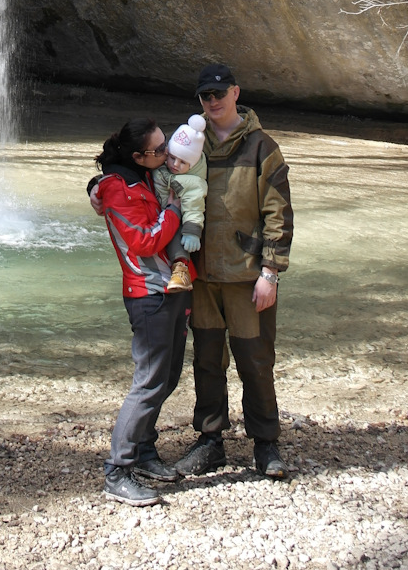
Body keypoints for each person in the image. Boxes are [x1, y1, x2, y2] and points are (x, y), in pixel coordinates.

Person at [174, 63, 294, 480]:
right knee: (207, 361)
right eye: (205, 95)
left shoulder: (262, 147)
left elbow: (278, 213)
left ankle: (266, 444)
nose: (212, 101)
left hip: (247, 278)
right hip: (203, 276)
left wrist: (271, 273)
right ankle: (210, 442)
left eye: (219, 93)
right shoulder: (192, 144)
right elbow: (150, 173)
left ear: (236, 93)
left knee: (256, 361)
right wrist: (99, 188)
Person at [92, 117, 191, 505]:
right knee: (149, 381)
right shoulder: (117, 188)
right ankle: (118, 470)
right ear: (138, 156)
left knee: (168, 377)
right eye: (159, 150)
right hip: (147, 293)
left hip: (175, 288)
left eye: (166, 145)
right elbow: (145, 241)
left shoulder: (150, 174)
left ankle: (145, 452)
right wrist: (174, 211)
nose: (167, 155)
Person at [152, 114, 208, 293]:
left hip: (179, 221)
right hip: (159, 213)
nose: (175, 164)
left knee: (177, 236)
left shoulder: (193, 183)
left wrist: (192, 232)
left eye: (183, 162)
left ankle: (180, 270)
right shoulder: (163, 167)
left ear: (192, 165)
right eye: (172, 157)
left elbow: (194, 207)